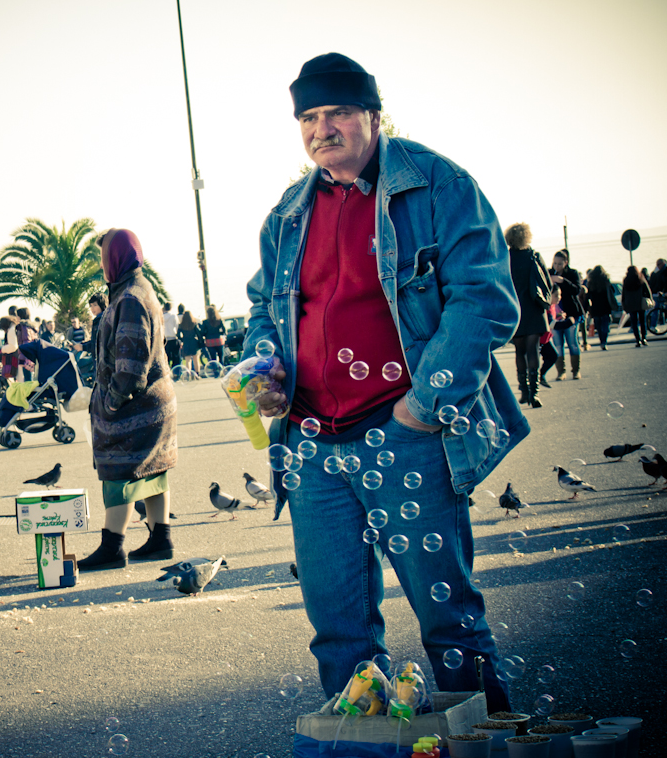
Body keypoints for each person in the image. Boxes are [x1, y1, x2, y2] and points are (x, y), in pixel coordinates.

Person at [243, 53, 527, 711]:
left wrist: (423, 409)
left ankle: (485, 742)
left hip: (406, 437)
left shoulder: (439, 187)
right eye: (309, 117)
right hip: (313, 448)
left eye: (338, 111)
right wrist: (266, 375)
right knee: (339, 635)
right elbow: (264, 308)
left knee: (450, 625)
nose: (323, 129)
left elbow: (483, 299)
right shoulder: (287, 215)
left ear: (373, 114)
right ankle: (363, 750)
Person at [78, 229, 177, 570]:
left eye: (103, 256)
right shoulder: (134, 289)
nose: (101, 264)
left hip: (136, 406)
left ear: (115, 257)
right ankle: (160, 538)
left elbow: (131, 365)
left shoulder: (129, 298)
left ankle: (112, 546)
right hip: (154, 401)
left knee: (119, 471)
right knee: (153, 467)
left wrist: (112, 402)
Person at [506, 223, 550, 408]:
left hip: (515, 309)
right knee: (533, 350)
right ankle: (535, 393)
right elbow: (547, 282)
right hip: (533, 308)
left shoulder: (506, 258)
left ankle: (523, 391)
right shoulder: (534, 256)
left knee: (519, 351)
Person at [549, 250, 584, 380]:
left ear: (566, 263)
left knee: (572, 343)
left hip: (571, 314)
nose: (556, 266)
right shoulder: (549, 273)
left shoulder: (572, 273)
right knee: (558, 344)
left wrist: (562, 281)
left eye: (559, 264)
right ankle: (561, 372)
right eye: (555, 263)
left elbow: (576, 290)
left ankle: (576, 371)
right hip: (555, 314)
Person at [585, 265, 617, 351]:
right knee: (605, 325)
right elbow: (612, 291)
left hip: (595, 307)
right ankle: (604, 341)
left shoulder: (591, 283)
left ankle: (601, 341)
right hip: (605, 306)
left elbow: (588, 296)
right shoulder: (605, 281)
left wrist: (587, 306)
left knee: (598, 326)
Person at [621, 265, 653, 347]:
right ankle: (644, 338)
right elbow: (647, 289)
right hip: (640, 303)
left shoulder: (626, 280)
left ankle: (637, 340)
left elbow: (623, 293)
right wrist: (650, 299)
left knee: (634, 322)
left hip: (631, 304)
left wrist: (623, 303)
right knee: (643, 321)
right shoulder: (640, 278)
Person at [0, 315, 21, 383]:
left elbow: (13, 346)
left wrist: (2, 349)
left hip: (15, 357)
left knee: (18, 379)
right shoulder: (16, 327)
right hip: (20, 356)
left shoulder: (11, 330)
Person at [162, 302, 181, 367]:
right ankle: (175, 371)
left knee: (166, 357)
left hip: (165, 338)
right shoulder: (173, 316)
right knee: (176, 357)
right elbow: (177, 326)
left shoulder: (161, 317)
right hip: (173, 337)